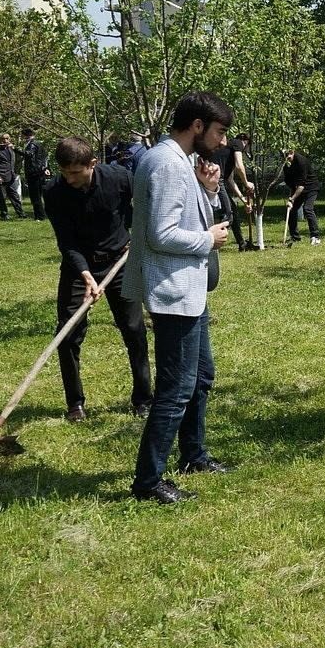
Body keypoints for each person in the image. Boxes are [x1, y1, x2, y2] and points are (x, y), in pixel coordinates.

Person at [123, 91, 235, 504]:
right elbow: (160, 234)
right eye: (220, 131)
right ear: (198, 126)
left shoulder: (180, 162)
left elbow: (181, 216)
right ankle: (148, 481)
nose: (223, 141)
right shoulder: (167, 164)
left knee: (200, 376)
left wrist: (207, 192)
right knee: (176, 387)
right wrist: (208, 238)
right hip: (173, 291)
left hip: (189, 290)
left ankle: (193, 455)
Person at [44, 137, 153, 422]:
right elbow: (66, 242)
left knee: (133, 329)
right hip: (77, 265)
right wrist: (85, 275)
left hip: (120, 261)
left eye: (75, 172)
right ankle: (75, 404)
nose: (69, 179)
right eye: (65, 172)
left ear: (93, 164)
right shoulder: (54, 192)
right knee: (68, 335)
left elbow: (144, 201)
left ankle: (143, 398)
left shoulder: (118, 178)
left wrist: (136, 235)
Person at [208, 132, 254, 251]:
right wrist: (246, 182)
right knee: (228, 214)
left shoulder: (227, 156)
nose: (245, 150)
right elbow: (240, 166)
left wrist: (243, 200)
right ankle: (212, 242)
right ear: (245, 141)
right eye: (247, 146)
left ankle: (242, 244)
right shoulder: (238, 143)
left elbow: (231, 181)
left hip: (219, 180)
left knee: (233, 211)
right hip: (216, 180)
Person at [282, 149, 322, 244]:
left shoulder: (301, 162)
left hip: (311, 187)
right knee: (291, 210)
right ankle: (295, 237)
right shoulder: (286, 164)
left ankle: (315, 236)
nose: (287, 159)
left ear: (292, 152)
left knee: (308, 209)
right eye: (285, 157)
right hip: (298, 188)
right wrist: (291, 196)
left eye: (288, 157)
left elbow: (301, 185)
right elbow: (289, 180)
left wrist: (292, 199)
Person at [17, 127, 50, 221]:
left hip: (33, 172)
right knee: (38, 195)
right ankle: (40, 215)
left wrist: (15, 149)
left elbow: (28, 154)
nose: (22, 137)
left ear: (26, 135)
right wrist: (45, 168)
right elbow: (44, 157)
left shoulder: (32, 144)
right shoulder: (39, 144)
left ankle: (39, 216)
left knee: (35, 195)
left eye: (22, 135)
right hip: (39, 172)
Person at [0, 132, 24, 219]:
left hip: (11, 175)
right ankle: (4, 214)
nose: (5, 140)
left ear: (9, 139)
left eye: (7, 138)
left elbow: (17, 161)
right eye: (3, 139)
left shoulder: (11, 149)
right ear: (0, 140)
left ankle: (21, 213)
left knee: (14, 195)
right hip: (1, 176)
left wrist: (16, 172)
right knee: (1, 196)